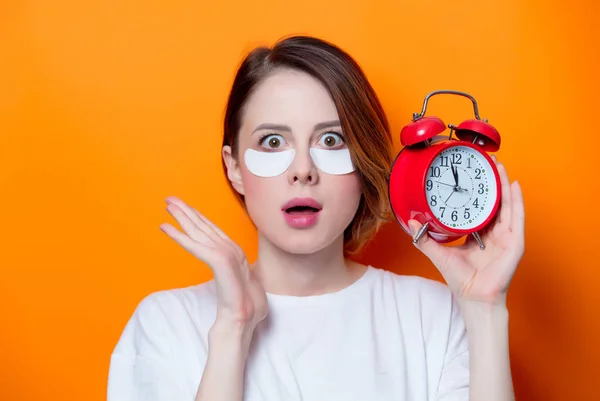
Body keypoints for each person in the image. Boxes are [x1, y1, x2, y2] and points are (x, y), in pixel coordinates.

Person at [107, 35, 525, 401]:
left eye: (331, 139)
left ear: (364, 163)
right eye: (273, 141)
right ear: (233, 166)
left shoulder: (434, 316)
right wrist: (232, 331)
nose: (303, 169)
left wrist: (486, 310)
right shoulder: (166, 323)